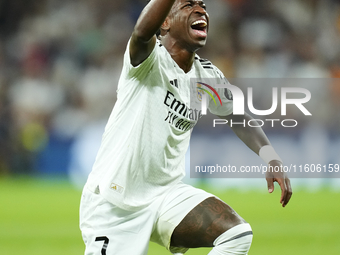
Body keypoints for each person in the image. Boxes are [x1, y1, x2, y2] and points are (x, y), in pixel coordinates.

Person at [79, 0, 292, 254]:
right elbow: (141, 33)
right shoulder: (149, 60)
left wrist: (271, 157)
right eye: (188, 5)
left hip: (165, 197)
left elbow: (238, 117)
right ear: (165, 23)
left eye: (203, 5)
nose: (200, 10)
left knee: (237, 235)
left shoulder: (206, 76)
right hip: (115, 204)